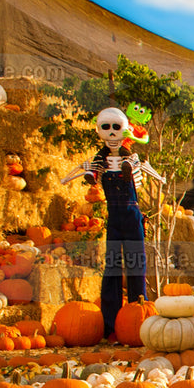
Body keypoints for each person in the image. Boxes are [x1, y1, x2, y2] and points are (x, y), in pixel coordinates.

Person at [86, 106, 148, 341]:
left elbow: (140, 179)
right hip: (114, 216)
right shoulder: (99, 158)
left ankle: (137, 319)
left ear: (124, 130)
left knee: (136, 265)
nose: (111, 132)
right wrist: (88, 175)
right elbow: (92, 175)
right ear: (99, 130)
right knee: (111, 267)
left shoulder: (131, 158)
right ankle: (110, 325)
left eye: (116, 127)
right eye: (106, 127)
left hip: (132, 215)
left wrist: (131, 171)